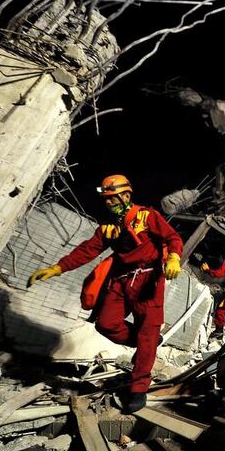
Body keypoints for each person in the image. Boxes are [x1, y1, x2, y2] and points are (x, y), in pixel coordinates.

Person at [27, 174, 183, 413]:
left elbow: (172, 237)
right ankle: (145, 343)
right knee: (106, 324)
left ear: (126, 196)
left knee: (148, 331)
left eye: (112, 198)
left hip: (148, 279)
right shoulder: (109, 228)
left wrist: (173, 257)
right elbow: (87, 250)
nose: (108, 203)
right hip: (120, 281)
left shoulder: (147, 216)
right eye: (106, 200)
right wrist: (57, 268)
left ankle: (139, 388)